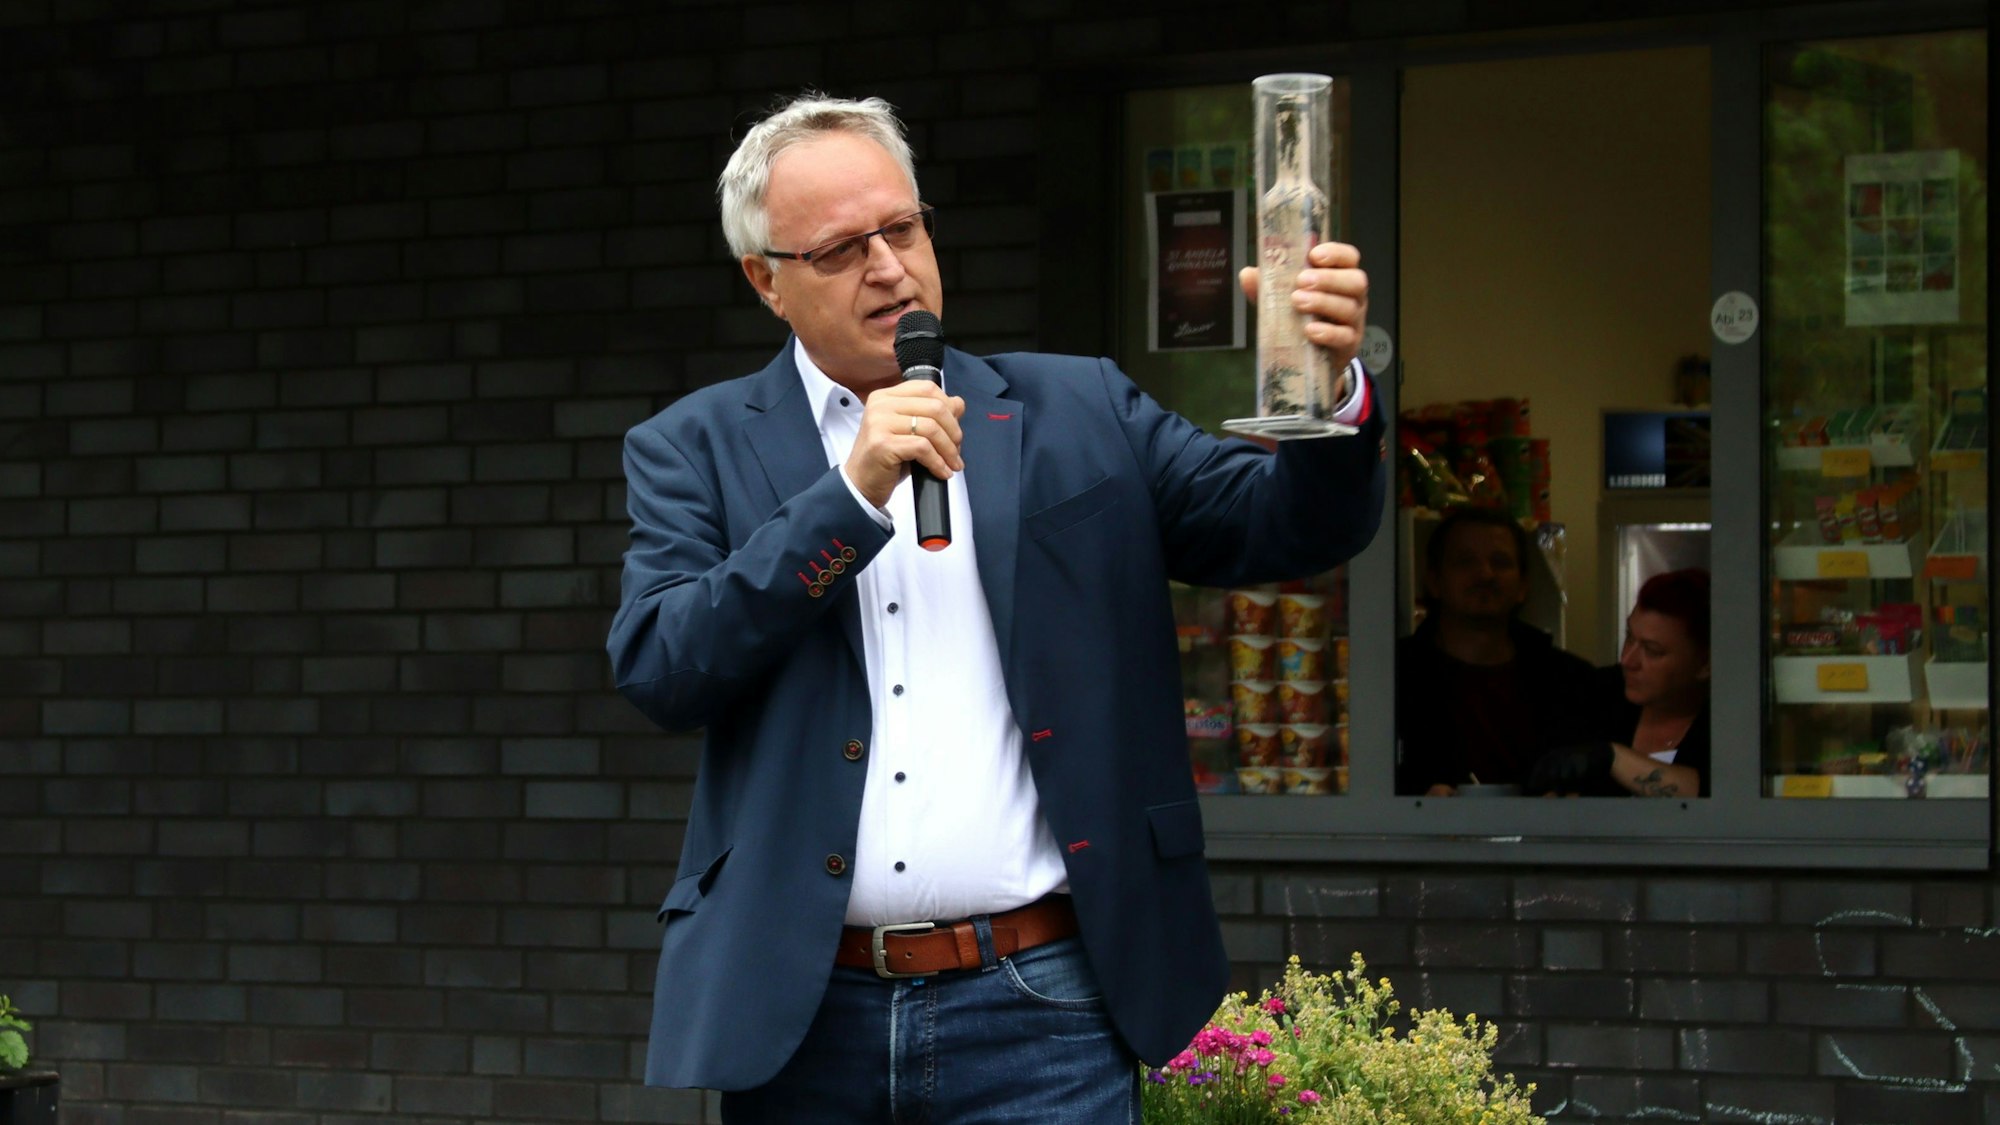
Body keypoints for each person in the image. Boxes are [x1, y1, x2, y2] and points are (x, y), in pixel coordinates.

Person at [605, 93, 1386, 1123]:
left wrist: (1329, 395)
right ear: (766, 280)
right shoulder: (692, 447)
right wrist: (846, 498)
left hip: (1043, 1005)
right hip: (804, 1019)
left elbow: (1281, 530)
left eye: (903, 227)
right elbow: (665, 667)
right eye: (842, 248)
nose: (888, 266)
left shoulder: (1078, 407)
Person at [1394, 506, 1599, 795]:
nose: (1485, 574)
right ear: (1435, 581)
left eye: (1500, 562)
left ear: (1523, 586)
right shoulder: (1395, 678)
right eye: (1465, 561)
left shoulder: (1572, 683)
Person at [1527, 567, 1711, 798]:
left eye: (1652, 651)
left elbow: (1723, 799)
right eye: (1629, 637)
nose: (1627, 660)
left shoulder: (1729, 723)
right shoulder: (1594, 695)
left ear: (1705, 664)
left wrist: (1613, 757)